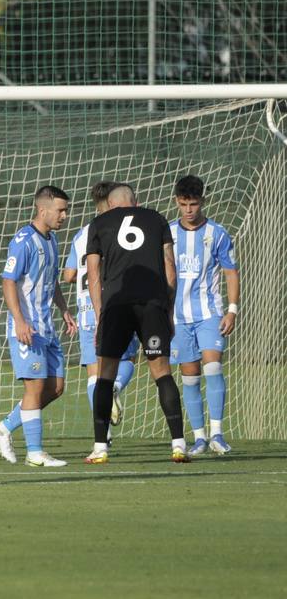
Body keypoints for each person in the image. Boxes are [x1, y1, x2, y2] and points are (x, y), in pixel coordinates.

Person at [84, 184, 188, 464]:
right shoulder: (156, 219)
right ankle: (179, 444)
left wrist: (98, 314)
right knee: (162, 372)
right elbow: (170, 269)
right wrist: (168, 311)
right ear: (135, 202)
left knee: (105, 375)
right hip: (152, 303)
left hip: (116, 305)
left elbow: (93, 271)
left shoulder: (99, 223)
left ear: (111, 205)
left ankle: (100, 448)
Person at [0, 185, 77, 467]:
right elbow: (8, 281)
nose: (64, 215)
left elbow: (51, 281)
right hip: (27, 329)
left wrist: (64, 310)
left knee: (56, 387)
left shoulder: (52, 240)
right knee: (35, 388)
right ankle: (35, 453)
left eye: (66, 210)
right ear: (43, 209)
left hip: (47, 327)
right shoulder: (24, 240)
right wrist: (20, 321)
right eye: (60, 210)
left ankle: (3, 428)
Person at [62, 182, 139, 445]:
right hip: (113, 305)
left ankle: (103, 434)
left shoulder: (81, 233)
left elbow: (69, 274)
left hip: (85, 311)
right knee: (126, 361)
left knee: (94, 374)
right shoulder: (119, 231)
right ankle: (115, 388)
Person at [169, 175, 239, 456]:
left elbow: (231, 272)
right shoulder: (167, 233)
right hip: (177, 316)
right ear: (177, 201)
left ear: (202, 201)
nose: (189, 210)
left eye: (194, 204)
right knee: (190, 376)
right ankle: (199, 438)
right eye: (184, 204)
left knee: (213, 367)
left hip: (210, 312)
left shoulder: (218, 234)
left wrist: (232, 310)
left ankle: (217, 434)